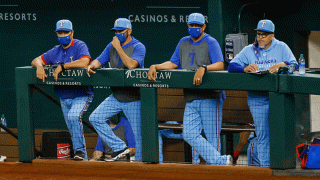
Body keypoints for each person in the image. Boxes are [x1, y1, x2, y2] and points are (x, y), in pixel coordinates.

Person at [148, 13, 232, 165]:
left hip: (210, 96)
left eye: (197, 26)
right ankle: (220, 161)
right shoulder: (183, 42)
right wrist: (156, 66)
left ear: (203, 27)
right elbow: (173, 63)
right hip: (191, 96)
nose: (194, 28)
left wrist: (204, 68)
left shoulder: (210, 42)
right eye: (191, 25)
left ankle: (216, 169)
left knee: (212, 137)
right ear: (188, 26)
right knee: (189, 134)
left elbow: (220, 64)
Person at [228, 19, 298, 166]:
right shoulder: (249, 49)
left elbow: (295, 64)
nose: (260, 37)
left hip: (278, 98)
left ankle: (282, 165)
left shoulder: (281, 47)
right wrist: (244, 68)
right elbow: (232, 65)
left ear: (272, 35)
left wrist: (282, 64)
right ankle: (265, 168)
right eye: (258, 34)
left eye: (264, 35)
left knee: (280, 133)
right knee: (263, 134)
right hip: (257, 98)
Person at [31, 19, 93, 160]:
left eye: (66, 32)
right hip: (64, 95)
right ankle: (84, 161)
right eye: (60, 32)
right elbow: (36, 60)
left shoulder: (79, 45)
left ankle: (80, 152)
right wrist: (39, 66)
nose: (63, 35)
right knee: (72, 127)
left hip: (81, 93)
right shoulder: (55, 51)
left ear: (72, 33)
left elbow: (85, 62)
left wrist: (64, 66)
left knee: (73, 117)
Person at [87, 18, 146, 162]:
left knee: (139, 137)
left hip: (134, 97)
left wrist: (119, 47)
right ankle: (119, 147)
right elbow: (100, 60)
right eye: (116, 31)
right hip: (116, 96)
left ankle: (141, 168)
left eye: (121, 31)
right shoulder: (111, 46)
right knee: (95, 118)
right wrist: (92, 65)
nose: (117, 33)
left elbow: (131, 65)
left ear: (129, 31)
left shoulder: (139, 46)